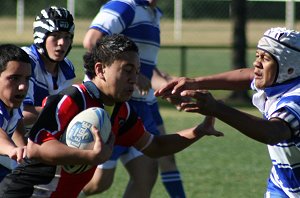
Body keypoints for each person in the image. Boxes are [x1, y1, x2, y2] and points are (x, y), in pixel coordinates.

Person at [0, 34, 223, 198]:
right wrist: (89, 157)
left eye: (136, 72)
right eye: (126, 70)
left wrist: (198, 131)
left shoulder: (122, 111)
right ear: (100, 70)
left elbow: (154, 146)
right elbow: (37, 148)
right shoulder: (73, 98)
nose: (133, 79)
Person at [155, 27, 300, 197]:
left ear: (289, 69)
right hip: (281, 184)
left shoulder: (295, 98)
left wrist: (217, 109)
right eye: (257, 55)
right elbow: (248, 76)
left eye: (265, 58)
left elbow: (273, 132)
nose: (256, 63)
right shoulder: (279, 79)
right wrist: (195, 82)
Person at [82, 1, 186, 197]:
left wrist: (168, 87)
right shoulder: (124, 6)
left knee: (146, 175)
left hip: (140, 106)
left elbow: (146, 68)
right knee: (99, 183)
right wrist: (130, 75)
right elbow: (92, 40)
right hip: (112, 105)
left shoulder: (153, 13)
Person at [21, 6, 76, 127]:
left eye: (67, 37)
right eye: (55, 35)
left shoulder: (67, 68)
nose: (62, 43)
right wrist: (63, 111)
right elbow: (20, 115)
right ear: (41, 37)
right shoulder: (25, 61)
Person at [0, 44, 31, 182]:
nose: (23, 86)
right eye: (14, 78)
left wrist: (23, 152)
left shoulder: (13, 101)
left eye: (26, 78)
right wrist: (11, 149)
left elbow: (17, 122)